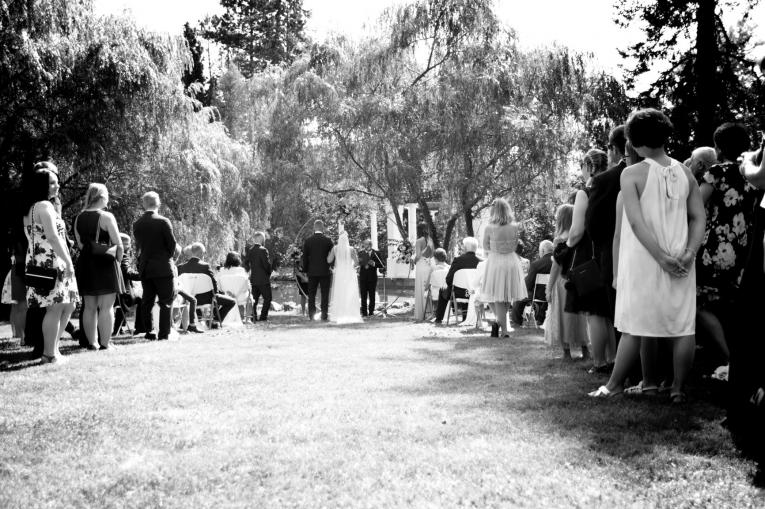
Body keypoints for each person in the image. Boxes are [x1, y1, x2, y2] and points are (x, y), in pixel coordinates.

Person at [590, 108, 705, 403]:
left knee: (634, 325)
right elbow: (698, 218)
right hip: (682, 259)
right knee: (683, 327)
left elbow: (636, 223)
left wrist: (661, 258)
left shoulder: (631, 173)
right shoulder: (686, 172)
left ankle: (614, 385)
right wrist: (689, 253)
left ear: (633, 141)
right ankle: (677, 389)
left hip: (645, 260)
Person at [696, 123, 760, 374]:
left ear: (719, 148)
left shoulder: (717, 172)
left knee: (699, 304)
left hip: (715, 248)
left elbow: (695, 205)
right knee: (733, 307)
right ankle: (740, 361)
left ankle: (730, 360)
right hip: (745, 247)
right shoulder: (753, 174)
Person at [22, 164, 79, 363]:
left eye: (57, 182)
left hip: (42, 260)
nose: (57, 186)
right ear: (41, 186)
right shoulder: (44, 206)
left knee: (69, 305)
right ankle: (49, 354)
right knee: (55, 308)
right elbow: (53, 237)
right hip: (52, 261)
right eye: (52, 183)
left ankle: (53, 350)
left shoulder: (31, 208)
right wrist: (68, 262)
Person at [567, 149, 616, 373]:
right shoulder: (616, 184)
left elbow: (577, 230)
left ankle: (599, 362)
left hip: (590, 254)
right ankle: (614, 358)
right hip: (612, 250)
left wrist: (567, 245)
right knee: (609, 312)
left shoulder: (585, 191)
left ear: (588, 166)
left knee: (595, 312)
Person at [584, 126, 627, 343]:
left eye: (609, 147)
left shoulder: (605, 180)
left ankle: (626, 361)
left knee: (620, 317)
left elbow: (592, 225)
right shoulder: (664, 172)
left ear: (615, 149)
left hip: (612, 254)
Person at [74, 183, 123, 350]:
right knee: (106, 307)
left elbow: (80, 245)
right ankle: (105, 343)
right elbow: (118, 244)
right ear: (102, 197)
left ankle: (92, 343)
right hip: (105, 263)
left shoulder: (79, 217)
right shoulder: (106, 217)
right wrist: (118, 262)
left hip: (86, 263)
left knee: (89, 307)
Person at [546, 204, 589, 359]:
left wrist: (549, 288)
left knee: (563, 316)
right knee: (580, 317)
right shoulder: (580, 236)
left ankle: (567, 352)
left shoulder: (559, 240)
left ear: (561, 219)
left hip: (562, 282)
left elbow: (556, 266)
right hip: (578, 280)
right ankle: (585, 349)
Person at [133, 191, 177, 340]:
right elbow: (172, 244)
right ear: (158, 203)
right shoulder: (163, 221)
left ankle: (149, 331)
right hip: (163, 267)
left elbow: (140, 246)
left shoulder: (137, 224)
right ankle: (164, 334)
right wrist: (166, 258)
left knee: (147, 301)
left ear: (144, 204)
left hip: (145, 267)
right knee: (165, 302)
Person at [482, 198, 527, 338]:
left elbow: (485, 246)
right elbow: (515, 245)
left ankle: (503, 328)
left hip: (495, 261)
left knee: (497, 296)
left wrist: (495, 248)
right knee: (506, 296)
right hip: (511, 261)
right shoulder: (514, 227)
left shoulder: (489, 228)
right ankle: (502, 325)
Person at [177, 242, 237, 324]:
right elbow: (213, 283)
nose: (204, 254)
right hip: (207, 299)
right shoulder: (205, 266)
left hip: (189, 299)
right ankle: (215, 321)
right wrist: (216, 294)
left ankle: (211, 321)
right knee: (232, 302)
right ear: (200, 253)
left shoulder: (182, 267)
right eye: (204, 253)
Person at [434, 237, 481, 324]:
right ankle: (465, 317)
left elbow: (449, 279)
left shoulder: (458, 260)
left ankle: (439, 318)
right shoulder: (481, 261)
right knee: (467, 289)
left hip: (460, 293)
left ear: (465, 248)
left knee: (443, 289)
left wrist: (453, 286)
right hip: (475, 293)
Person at [511, 240, 553, 327]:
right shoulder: (560, 262)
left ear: (543, 251)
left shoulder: (536, 264)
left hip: (538, 294)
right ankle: (540, 318)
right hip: (556, 293)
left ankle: (516, 322)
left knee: (519, 296)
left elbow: (528, 285)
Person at [327, 228, 362, 324]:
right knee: (349, 293)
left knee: (339, 292)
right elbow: (356, 262)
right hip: (349, 274)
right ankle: (350, 313)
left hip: (339, 273)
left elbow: (329, 260)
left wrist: (328, 254)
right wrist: (352, 265)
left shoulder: (335, 248)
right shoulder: (351, 249)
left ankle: (338, 314)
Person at [113, 233, 144, 336]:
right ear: (122, 244)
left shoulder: (112, 253)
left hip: (114, 291)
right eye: (128, 244)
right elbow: (128, 272)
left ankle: (118, 329)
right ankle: (140, 328)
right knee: (141, 299)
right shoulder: (123, 255)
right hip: (123, 292)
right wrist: (142, 275)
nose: (130, 246)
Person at [302, 219, 334, 321]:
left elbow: (305, 258)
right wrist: (332, 267)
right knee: (325, 294)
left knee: (311, 294)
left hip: (312, 272)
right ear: (323, 228)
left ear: (314, 228)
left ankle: (312, 316)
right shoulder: (328, 240)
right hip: (325, 271)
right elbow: (333, 256)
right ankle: (324, 315)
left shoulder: (308, 241)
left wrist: (305, 271)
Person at [243, 232, 272, 321]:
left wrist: (248, 272)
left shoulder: (250, 250)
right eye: (263, 238)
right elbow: (266, 265)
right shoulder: (263, 250)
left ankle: (253, 317)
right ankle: (263, 317)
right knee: (268, 298)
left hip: (253, 279)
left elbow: (245, 263)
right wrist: (269, 272)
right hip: (263, 279)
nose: (264, 240)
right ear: (260, 239)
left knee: (254, 300)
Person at [412, 222, 434, 321]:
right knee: (428, 288)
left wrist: (413, 261)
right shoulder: (430, 240)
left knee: (421, 289)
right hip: (428, 265)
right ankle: (430, 312)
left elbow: (418, 255)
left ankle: (421, 314)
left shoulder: (419, 241)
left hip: (421, 266)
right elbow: (432, 255)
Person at [357, 238, 380, 317]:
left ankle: (371, 312)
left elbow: (381, 264)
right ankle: (364, 313)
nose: (364, 245)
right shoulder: (360, 253)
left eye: (366, 244)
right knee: (363, 296)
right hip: (363, 277)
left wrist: (374, 264)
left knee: (372, 295)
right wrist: (359, 263)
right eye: (364, 244)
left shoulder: (376, 253)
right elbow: (358, 263)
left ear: (370, 245)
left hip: (372, 277)